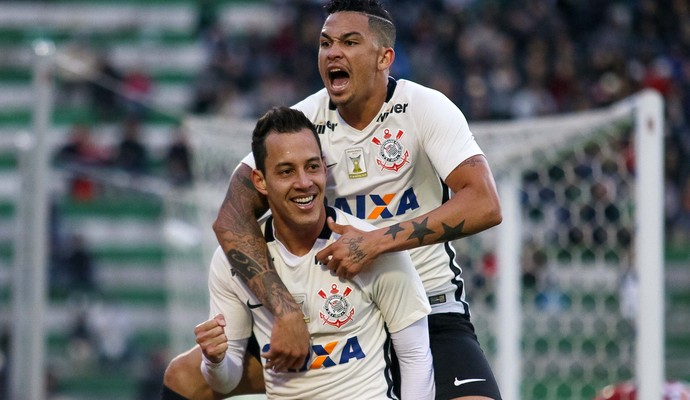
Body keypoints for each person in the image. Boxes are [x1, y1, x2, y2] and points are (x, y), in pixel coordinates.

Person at [162, 1, 503, 399]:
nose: (333, 52)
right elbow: (231, 218)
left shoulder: (425, 109)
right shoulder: (302, 124)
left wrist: (376, 241)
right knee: (184, 379)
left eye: (349, 41)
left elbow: (484, 202)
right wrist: (285, 309)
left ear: (384, 57)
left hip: (429, 311)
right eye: (325, 43)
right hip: (334, 318)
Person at [194, 106, 434, 399]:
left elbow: (416, 357)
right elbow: (225, 382)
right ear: (260, 181)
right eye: (286, 171)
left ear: (324, 167)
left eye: (312, 167)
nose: (304, 183)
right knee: (180, 375)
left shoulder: (369, 245)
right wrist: (215, 360)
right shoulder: (233, 261)